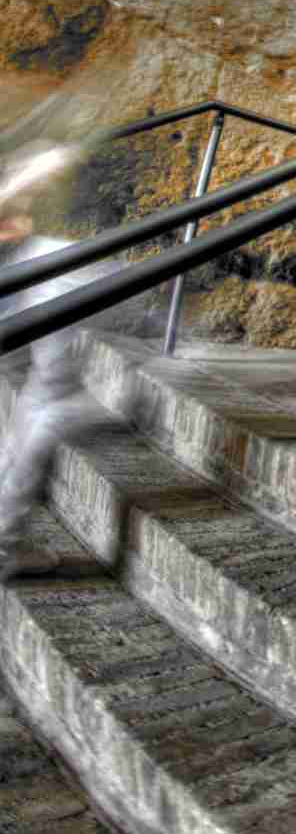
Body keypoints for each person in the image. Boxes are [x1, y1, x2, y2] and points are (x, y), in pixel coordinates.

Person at [0, 78, 117, 579]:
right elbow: (10, 210)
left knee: (31, 401)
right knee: (46, 401)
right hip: (46, 269)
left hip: (36, 270)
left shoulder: (38, 158)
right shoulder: (46, 160)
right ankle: (5, 541)